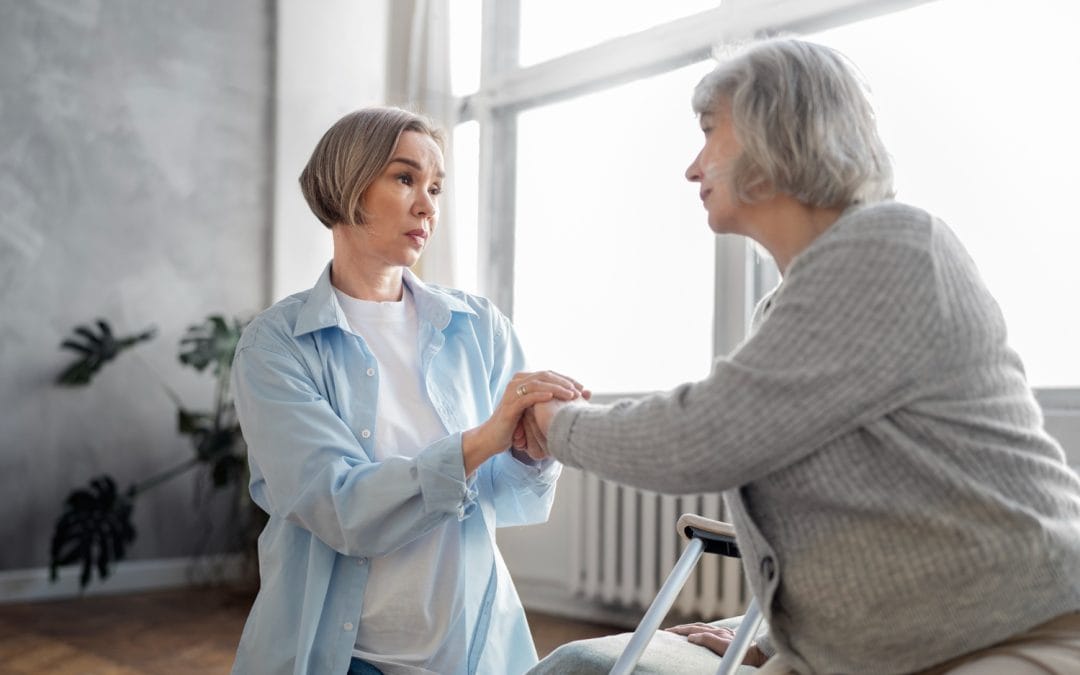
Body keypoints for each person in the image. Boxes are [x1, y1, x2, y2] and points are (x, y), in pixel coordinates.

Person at [525, 37, 1080, 674]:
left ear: (775, 135)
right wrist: (773, 638)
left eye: (710, 133)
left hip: (1015, 630)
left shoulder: (893, 245)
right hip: (886, 649)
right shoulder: (793, 303)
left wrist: (553, 425)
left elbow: (705, 434)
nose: (692, 167)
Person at [230, 107, 585, 675]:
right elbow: (341, 507)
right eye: (405, 178)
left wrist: (528, 449)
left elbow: (506, 494)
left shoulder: (479, 327)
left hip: (469, 648)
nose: (428, 206)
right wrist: (479, 441)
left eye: (436, 187)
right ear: (347, 185)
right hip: (345, 656)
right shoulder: (275, 347)